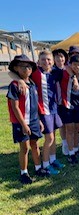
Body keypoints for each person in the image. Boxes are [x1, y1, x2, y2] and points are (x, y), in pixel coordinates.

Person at [6, 55, 47, 184]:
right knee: (25, 147)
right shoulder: (14, 85)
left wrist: (39, 120)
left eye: (29, 66)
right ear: (16, 68)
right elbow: (15, 107)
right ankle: (24, 172)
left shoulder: (32, 84)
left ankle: (38, 168)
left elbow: (34, 105)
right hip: (21, 122)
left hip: (34, 120)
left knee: (35, 144)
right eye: (22, 66)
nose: (26, 69)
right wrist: (24, 124)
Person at [32, 51, 66, 174]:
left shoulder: (54, 73)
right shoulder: (36, 73)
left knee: (53, 136)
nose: (46, 62)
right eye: (43, 59)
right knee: (49, 138)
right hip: (43, 110)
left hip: (53, 109)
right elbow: (16, 74)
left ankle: (52, 160)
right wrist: (19, 81)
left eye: (48, 59)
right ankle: (45, 165)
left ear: (52, 61)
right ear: (39, 61)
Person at [56, 54, 79, 165]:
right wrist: (72, 76)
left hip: (78, 106)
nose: (77, 67)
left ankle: (76, 150)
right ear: (70, 65)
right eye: (75, 65)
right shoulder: (64, 73)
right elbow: (62, 68)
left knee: (77, 129)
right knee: (70, 129)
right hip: (67, 105)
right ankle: (70, 153)